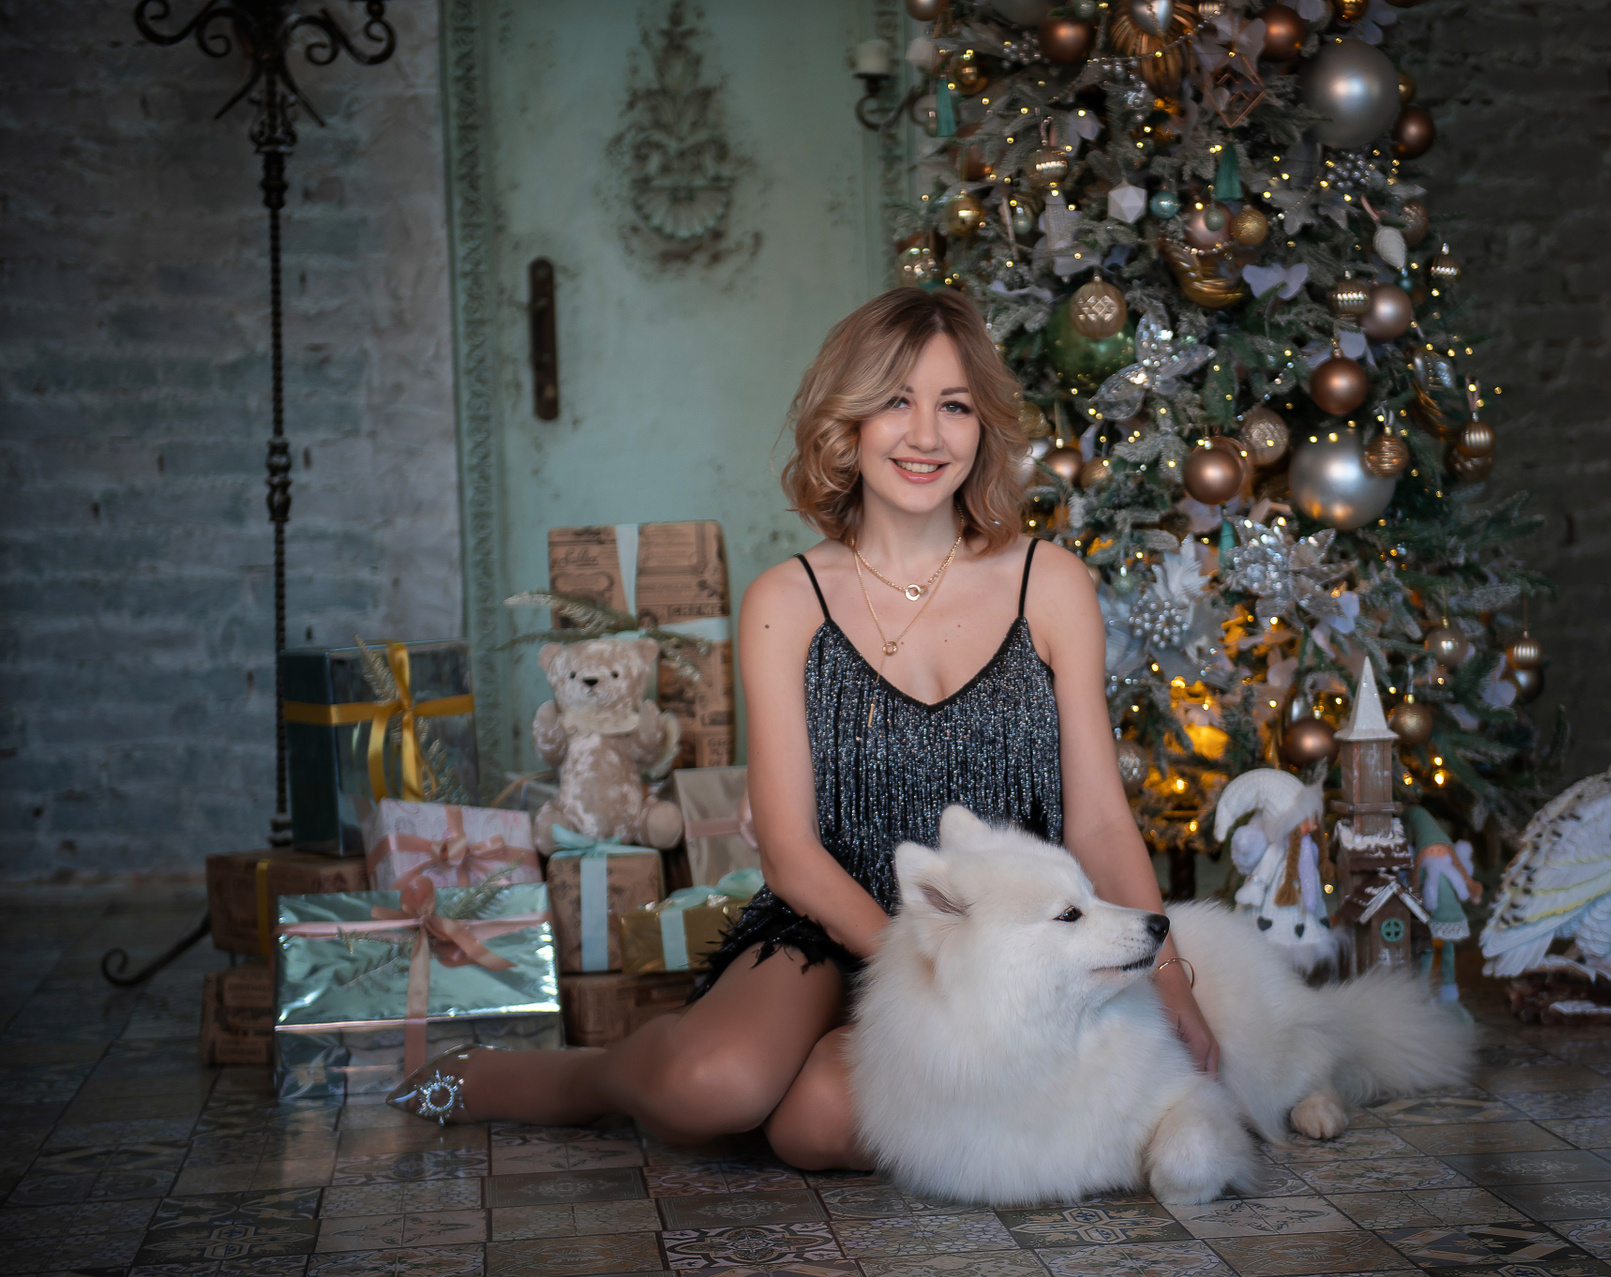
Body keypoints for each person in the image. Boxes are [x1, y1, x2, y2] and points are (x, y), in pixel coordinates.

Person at [387, 287, 1218, 1170]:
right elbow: (788, 852)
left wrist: (1171, 978)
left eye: (955, 406)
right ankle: (579, 1077)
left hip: (1008, 948)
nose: (926, 435)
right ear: (847, 420)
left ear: (984, 426)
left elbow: (1098, 819)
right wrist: (920, 981)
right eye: (895, 401)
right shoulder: (787, 601)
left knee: (815, 1121)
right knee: (712, 1083)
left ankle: (818, 1066)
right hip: (828, 918)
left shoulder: (1048, 583)